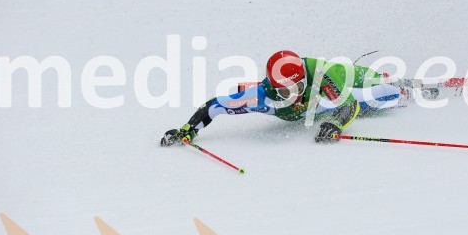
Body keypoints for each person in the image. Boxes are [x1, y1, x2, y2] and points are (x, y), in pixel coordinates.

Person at [160, 50, 400, 146]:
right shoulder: (262, 97)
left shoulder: (321, 75)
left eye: (297, 87)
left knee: (386, 90)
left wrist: (335, 124)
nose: (293, 95)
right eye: (285, 91)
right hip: (318, 101)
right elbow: (214, 106)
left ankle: (403, 86)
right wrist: (187, 130)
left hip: (332, 78)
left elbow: (351, 104)